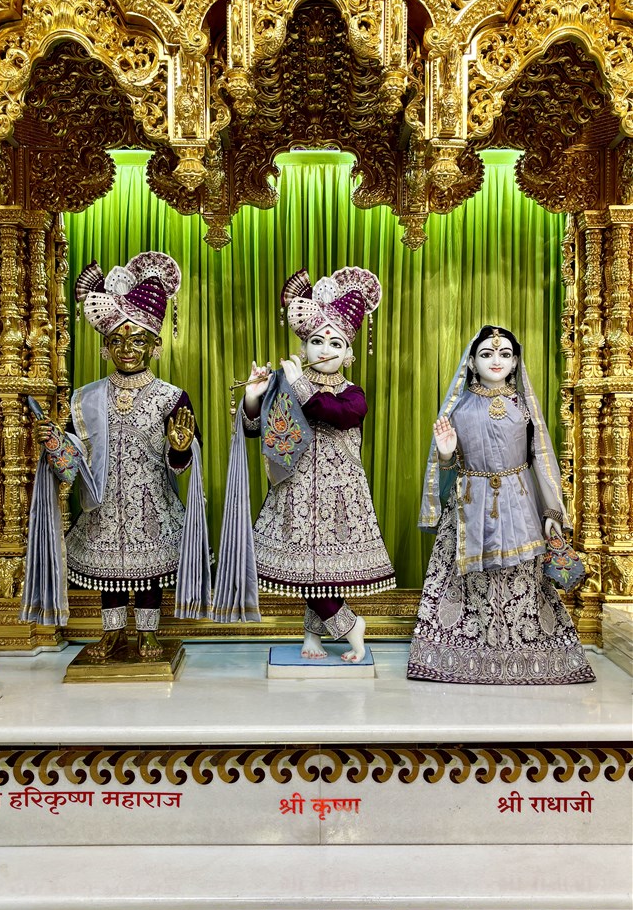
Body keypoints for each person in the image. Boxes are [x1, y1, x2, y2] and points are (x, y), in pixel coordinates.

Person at [20, 252, 210, 658]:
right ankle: (111, 633)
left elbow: (185, 462)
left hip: (152, 505)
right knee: (108, 575)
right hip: (102, 505)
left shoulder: (171, 397)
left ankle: (147, 633)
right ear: (106, 346)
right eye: (117, 340)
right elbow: (72, 462)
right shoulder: (85, 398)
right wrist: (53, 443)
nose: (127, 349)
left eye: (138, 340)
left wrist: (180, 448)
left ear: (155, 345)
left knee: (148, 573)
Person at [407, 325, 595, 685]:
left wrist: (551, 512)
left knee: (520, 579)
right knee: (469, 583)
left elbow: (541, 456)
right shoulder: (458, 407)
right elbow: (448, 466)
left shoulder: (523, 406)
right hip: (468, 503)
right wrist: (445, 455)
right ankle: (463, 656)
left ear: (515, 362)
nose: (497, 360)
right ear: (472, 363)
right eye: (487, 354)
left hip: (518, 503)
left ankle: (523, 655)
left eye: (505, 354)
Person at [238, 267, 395, 662]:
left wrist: (300, 386)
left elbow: (337, 415)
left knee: (323, 571)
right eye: (316, 341)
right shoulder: (286, 384)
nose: (325, 350)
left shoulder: (353, 392)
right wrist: (255, 395)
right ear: (304, 347)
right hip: (294, 489)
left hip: (338, 495)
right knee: (308, 569)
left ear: (349, 353)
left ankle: (348, 626)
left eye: (335, 343)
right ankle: (315, 635)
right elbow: (256, 430)